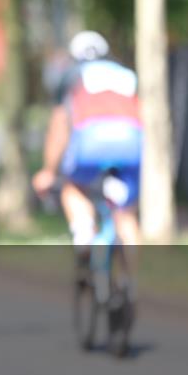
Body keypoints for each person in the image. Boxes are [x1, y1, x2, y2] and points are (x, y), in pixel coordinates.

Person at [32, 30, 143, 297]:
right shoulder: (126, 75)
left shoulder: (72, 75)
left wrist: (48, 171)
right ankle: (129, 284)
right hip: (131, 141)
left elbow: (60, 122)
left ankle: (83, 232)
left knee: (74, 186)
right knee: (125, 212)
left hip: (92, 141)